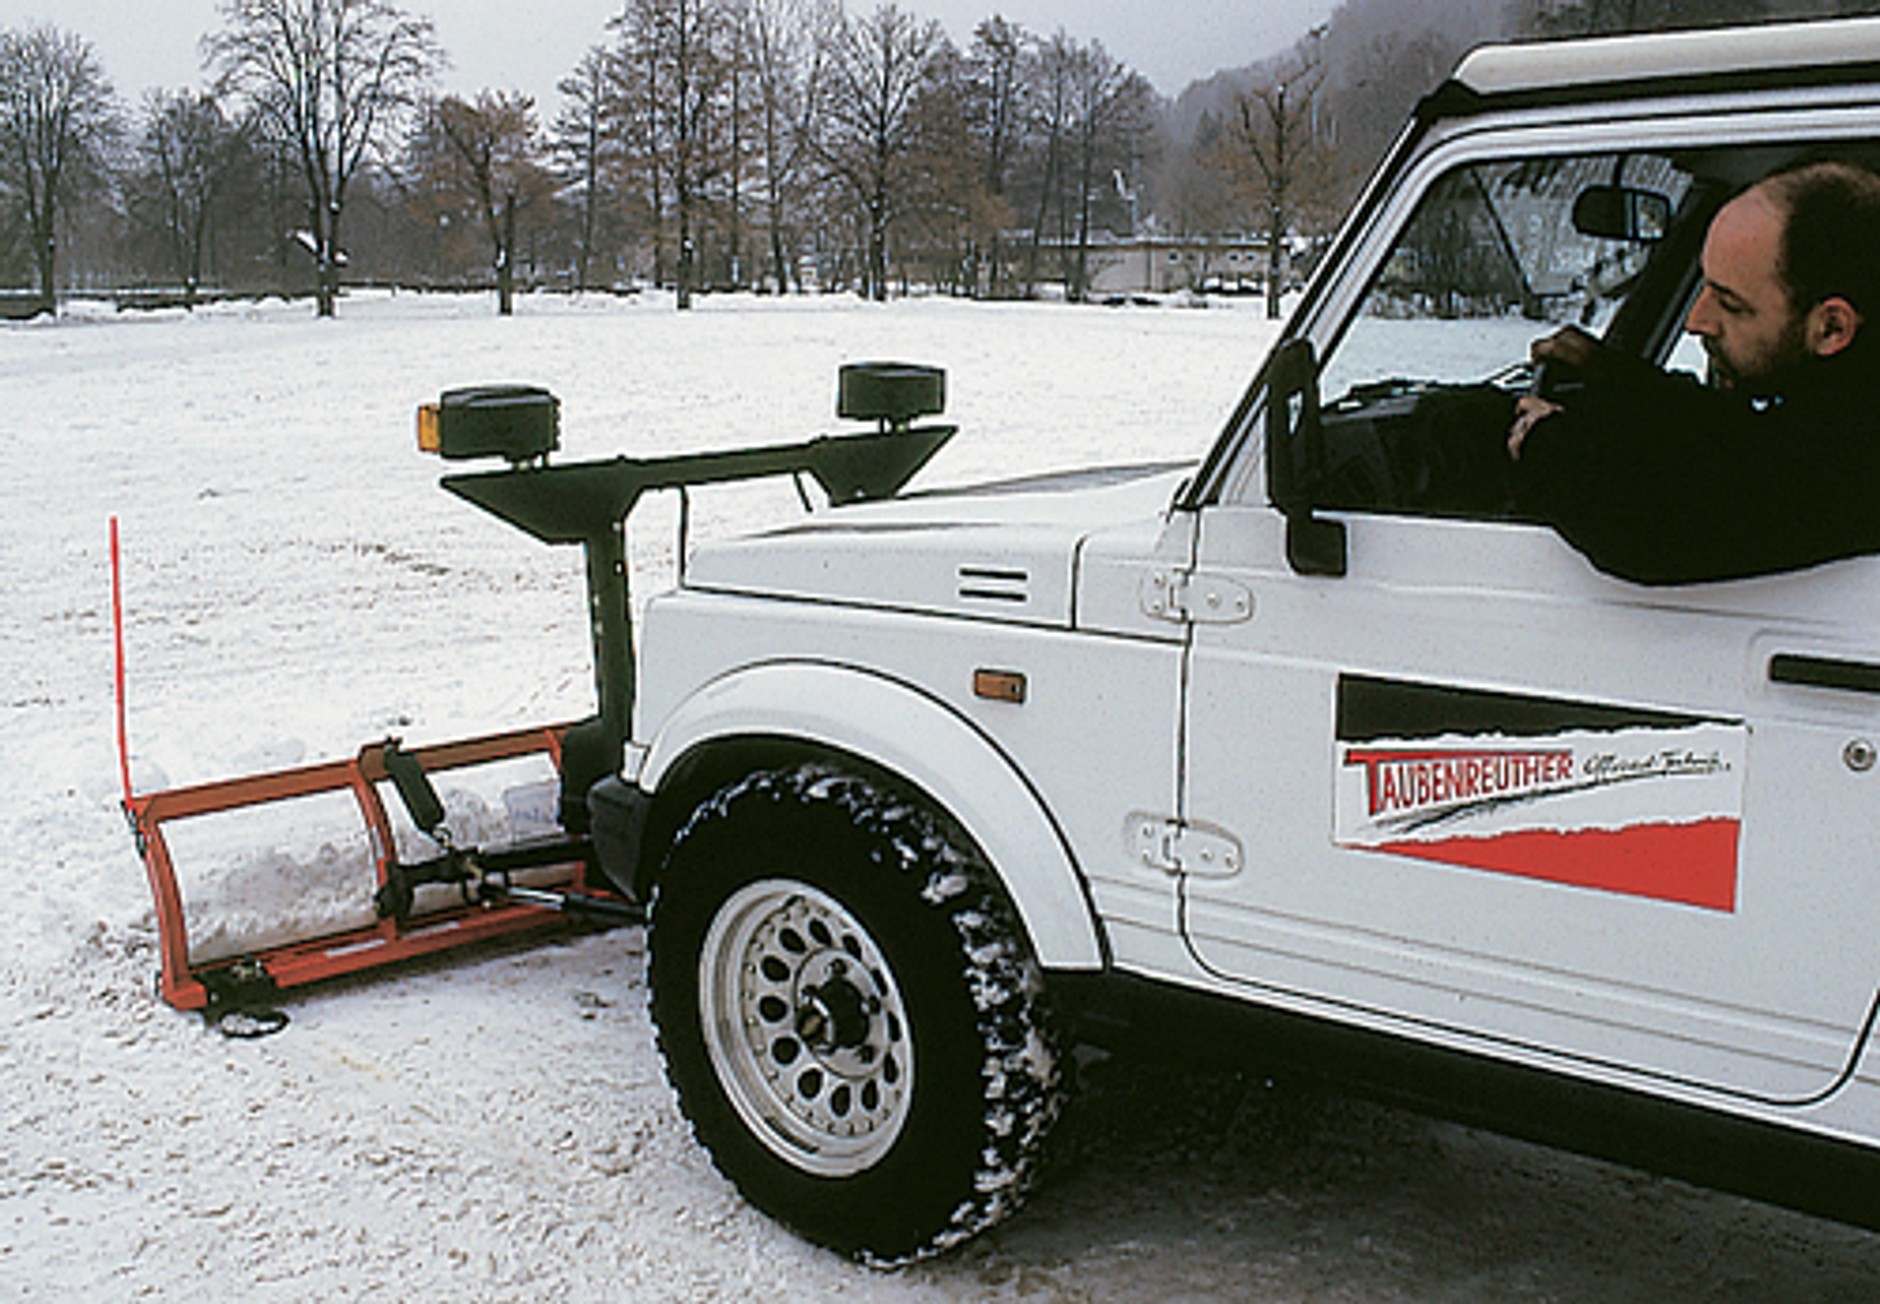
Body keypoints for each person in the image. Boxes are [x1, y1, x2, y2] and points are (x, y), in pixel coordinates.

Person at [1504, 160, 1880, 584]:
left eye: (1731, 303)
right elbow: (1748, 437)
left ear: (1831, 327)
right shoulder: (1841, 397)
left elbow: (1662, 530)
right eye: (1703, 287)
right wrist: (1620, 377)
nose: (1695, 320)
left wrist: (1545, 444)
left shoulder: (1858, 459)